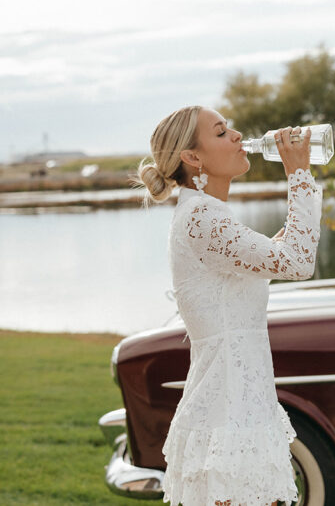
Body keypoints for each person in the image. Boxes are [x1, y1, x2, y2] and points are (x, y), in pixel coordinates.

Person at [136, 105, 322, 506]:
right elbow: (299, 262)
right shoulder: (202, 219)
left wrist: (301, 190)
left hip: (244, 403)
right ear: (193, 157)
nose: (237, 136)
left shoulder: (207, 215)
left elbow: (276, 255)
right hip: (229, 411)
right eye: (221, 132)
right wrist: (298, 175)